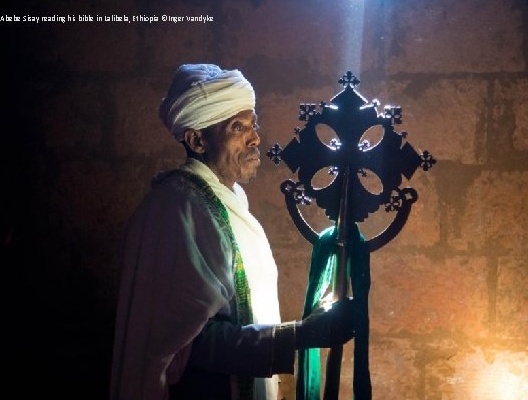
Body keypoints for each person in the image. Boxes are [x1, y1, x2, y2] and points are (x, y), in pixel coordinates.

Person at [109, 63, 354, 400]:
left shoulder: (227, 201)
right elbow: (189, 346)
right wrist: (299, 335)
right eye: (238, 127)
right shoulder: (176, 209)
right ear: (197, 140)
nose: (254, 137)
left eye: (253, 125)